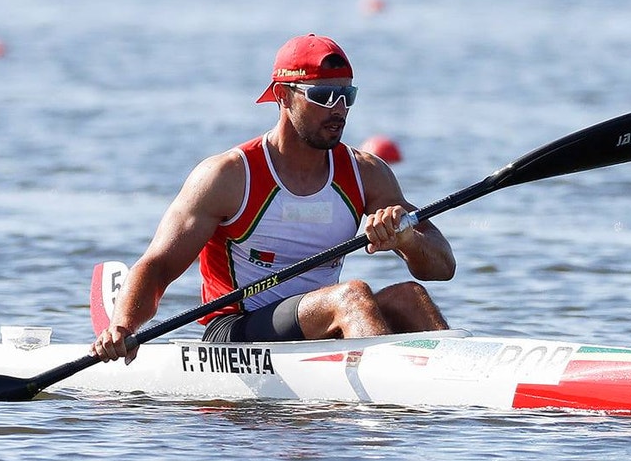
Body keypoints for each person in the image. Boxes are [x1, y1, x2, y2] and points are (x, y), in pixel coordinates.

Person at [92, 33, 456, 364]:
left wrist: (407, 239)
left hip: (321, 321)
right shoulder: (229, 176)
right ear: (282, 96)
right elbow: (158, 265)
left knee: (410, 295)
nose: (338, 110)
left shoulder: (366, 173)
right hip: (234, 333)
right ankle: (388, 396)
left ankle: (452, 382)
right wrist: (123, 326)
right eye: (322, 96)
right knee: (352, 295)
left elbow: (442, 267)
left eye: (347, 96)